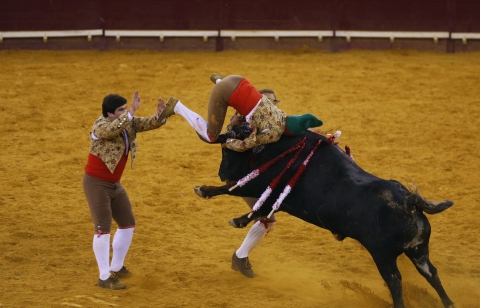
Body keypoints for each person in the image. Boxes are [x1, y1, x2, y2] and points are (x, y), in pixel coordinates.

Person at [82, 91, 166, 290]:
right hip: (96, 183)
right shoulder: (100, 125)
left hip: (114, 183)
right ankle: (104, 276)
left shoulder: (127, 122)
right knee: (102, 228)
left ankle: (116, 266)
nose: (125, 112)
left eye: (125, 109)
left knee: (127, 223)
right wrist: (130, 113)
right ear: (110, 114)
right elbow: (111, 131)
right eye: (121, 110)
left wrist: (161, 115)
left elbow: (148, 123)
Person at [157, 74, 323, 152]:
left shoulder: (280, 113)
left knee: (230, 92)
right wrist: (228, 143)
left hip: (237, 80)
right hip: (225, 93)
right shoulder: (274, 134)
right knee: (210, 136)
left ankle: (219, 79)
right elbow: (245, 145)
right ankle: (177, 106)